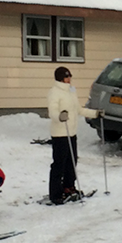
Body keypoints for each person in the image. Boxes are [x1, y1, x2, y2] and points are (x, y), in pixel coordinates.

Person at [46, 66, 102, 205]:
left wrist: (95, 113)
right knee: (59, 164)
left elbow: (78, 109)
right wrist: (60, 116)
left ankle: (69, 186)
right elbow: (52, 111)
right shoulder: (54, 92)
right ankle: (55, 193)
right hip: (60, 133)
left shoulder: (71, 91)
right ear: (60, 78)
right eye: (66, 77)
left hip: (71, 132)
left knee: (72, 161)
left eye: (69, 76)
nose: (69, 79)